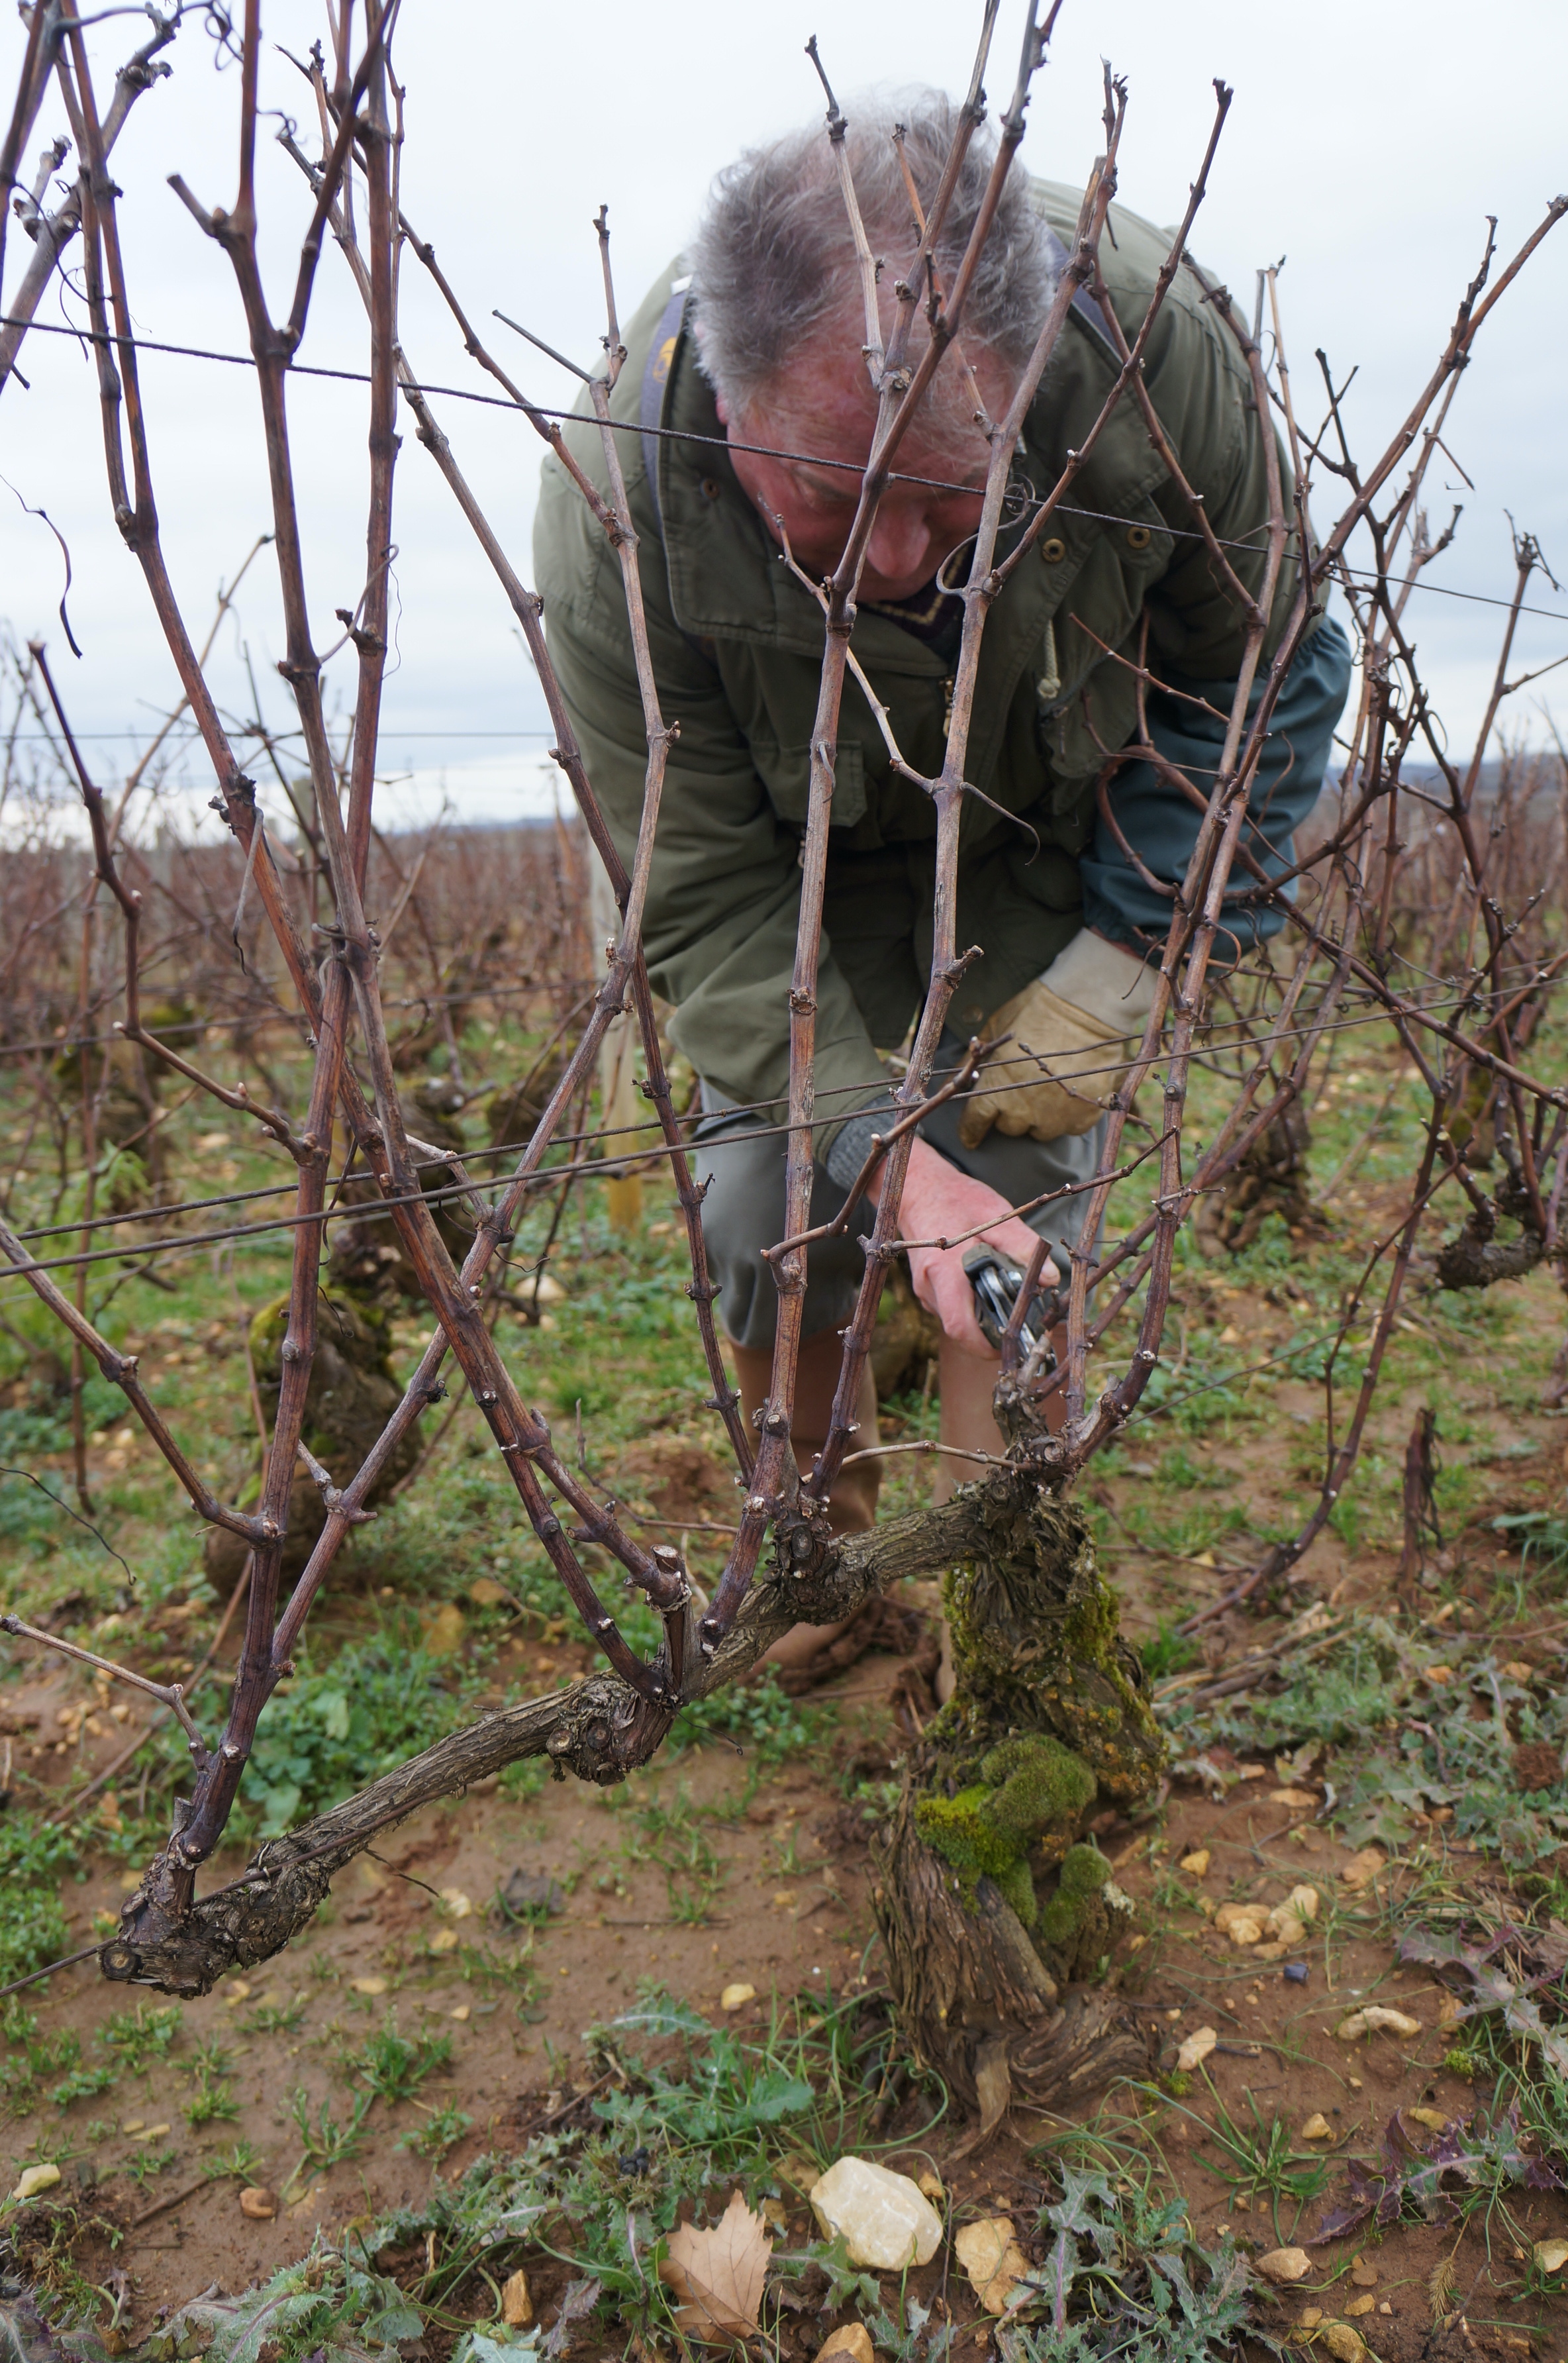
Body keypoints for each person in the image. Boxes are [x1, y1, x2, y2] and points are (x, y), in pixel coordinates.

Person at [533, 91, 1351, 1656]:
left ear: (1026, 381)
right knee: (772, 1206)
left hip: (1055, 825)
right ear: (730, 394)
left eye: (946, 491)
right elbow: (699, 898)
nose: (898, 557)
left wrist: (1139, 942)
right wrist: (884, 1162)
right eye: (836, 498)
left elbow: (1261, 655)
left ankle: (998, 1611)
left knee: (1019, 1195)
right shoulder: (616, 505)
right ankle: (817, 1552)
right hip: (789, 874)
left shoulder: (1154, 355)